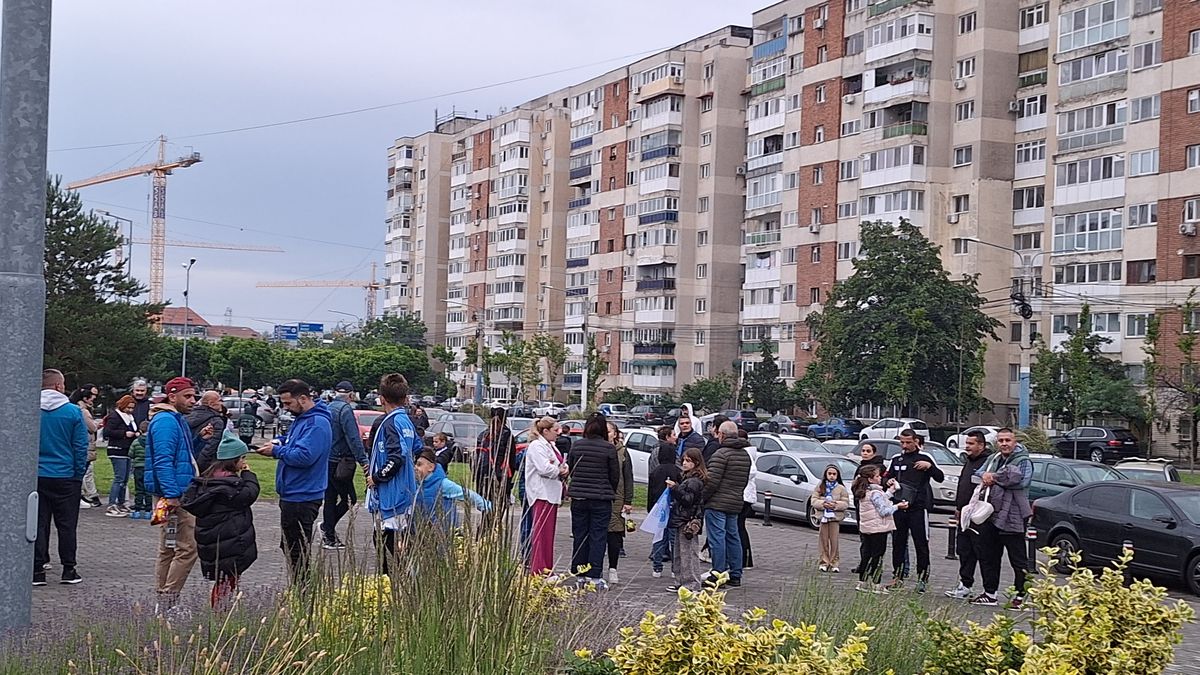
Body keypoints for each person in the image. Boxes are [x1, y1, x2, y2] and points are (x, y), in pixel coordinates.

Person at [254, 379, 332, 583]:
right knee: (290, 546)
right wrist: (278, 441)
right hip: (292, 493)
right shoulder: (303, 419)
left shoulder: (317, 423)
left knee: (297, 550)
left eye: (288, 403)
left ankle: (303, 593)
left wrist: (276, 451)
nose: (285, 408)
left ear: (304, 399)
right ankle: (300, 589)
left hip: (302, 496)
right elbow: (291, 439)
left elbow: (305, 456)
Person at [145, 376, 211, 611]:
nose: (193, 401)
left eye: (194, 395)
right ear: (172, 396)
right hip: (176, 495)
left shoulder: (175, 419)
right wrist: (172, 494)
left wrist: (199, 440)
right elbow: (163, 460)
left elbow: (180, 455)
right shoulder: (166, 421)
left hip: (175, 491)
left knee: (170, 547)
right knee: (187, 547)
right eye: (188, 396)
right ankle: (168, 598)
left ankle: (163, 599)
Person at [180, 432, 259, 610]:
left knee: (225, 581)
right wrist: (248, 474)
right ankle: (219, 614)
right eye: (242, 458)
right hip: (230, 544)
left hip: (217, 543)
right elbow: (250, 493)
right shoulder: (231, 488)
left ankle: (222, 609)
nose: (244, 461)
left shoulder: (209, 482)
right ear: (233, 461)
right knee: (226, 583)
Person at [35, 369, 90, 586]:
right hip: (65, 475)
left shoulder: (30, 409)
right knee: (67, 525)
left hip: (37, 475)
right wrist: (78, 474)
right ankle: (69, 569)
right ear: (59, 386)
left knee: (38, 523)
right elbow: (80, 447)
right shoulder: (73, 412)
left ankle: (37, 570)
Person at [971, 428, 1033, 609]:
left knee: (1018, 558)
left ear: (1015, 442)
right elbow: (977, 473)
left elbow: (1020, 481)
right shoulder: (994, 459)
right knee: (989, 555)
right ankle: (990, 593)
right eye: (1001, 440)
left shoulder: (1024, 460)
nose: (1004, 444)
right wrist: (984, 475)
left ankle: (1021, 596)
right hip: (992, 512)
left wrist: (993, 477)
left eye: (1008, 440)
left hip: (1013, 513)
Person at [367, 374, 419, 575]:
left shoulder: (389, 423)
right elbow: (417, 447)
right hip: (404, 491)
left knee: (385, 542)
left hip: (392, 494)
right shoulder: (406, 421)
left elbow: (396, 458)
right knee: (394, 540)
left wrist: (377, 477)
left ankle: (391, 585)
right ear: (406, 399)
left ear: (381, 399)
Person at [882, 429, 943, 592]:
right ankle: (898, 576)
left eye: (908, 442)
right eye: (902, 442)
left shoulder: (925, 458)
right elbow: (885, 477)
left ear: (916, 441)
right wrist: (888, 481)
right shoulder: (896, 459)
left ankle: (922, 579)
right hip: (899, 506)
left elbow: (940, 477)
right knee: (898, 543)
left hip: (918, 507)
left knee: (921, 544)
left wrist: (929, 467)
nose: (905, 445)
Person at [567, 413, 619, 588]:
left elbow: (571, 469)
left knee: (580, 536)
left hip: (579, 496)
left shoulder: (577, 446)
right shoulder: (609, 448)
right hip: (601, 498)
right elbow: (614, 475)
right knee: (598, 537)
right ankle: (595, 575)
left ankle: (580, 574)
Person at [701, 421, 752, 587]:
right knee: (733, 537)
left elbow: (712, 482)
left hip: (717, 502)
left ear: (721, 435)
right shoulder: (745, 455)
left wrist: (703, 498)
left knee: (717, 538)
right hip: (736, 500)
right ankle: (736, 573)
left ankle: (718, 574)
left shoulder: (720, 454)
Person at [320, 380, 369, 551]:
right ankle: (327, 528)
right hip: (341, 460)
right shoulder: (345, 410)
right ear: (350, 394)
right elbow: (353, 438)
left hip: (327, 459)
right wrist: (363, 460)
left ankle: (329, 535)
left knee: (330, 498)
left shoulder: (327, 407)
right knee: (350, 499)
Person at [945, 430, 992, 600]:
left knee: (982, 552)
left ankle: (989, 591)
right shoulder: (968, 462)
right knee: (964, 550)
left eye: (971, 444)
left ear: (981, 445)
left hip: (979, 515)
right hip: (964, 514)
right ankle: (965, 585)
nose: (967, 447)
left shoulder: (988, 462)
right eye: (967, 443)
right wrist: (958, 507)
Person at [852, 464, 906, 593]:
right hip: (878, 529)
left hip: (867, 528)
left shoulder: (865, 491)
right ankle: (876, 584)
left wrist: (890, 491)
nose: (880, 477)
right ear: (871, 479)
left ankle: (862, 582)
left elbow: (880, 500)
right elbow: (883, 510)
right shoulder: (875, 493)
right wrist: (898, 506)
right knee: (877, 556)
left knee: (866, 555)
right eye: (877, 476)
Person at [525, 417, 568, 575]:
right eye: (555, 430)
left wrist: (563, 468)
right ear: (545, 431)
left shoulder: (551, 446)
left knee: (548, 534)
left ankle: (547, 568)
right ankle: (538, 568)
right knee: (541, 534)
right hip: (541, 494)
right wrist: (559, 471)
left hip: (551, 493)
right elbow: (544, 468)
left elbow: (559, 462)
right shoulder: (537, 446)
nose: (559, 433)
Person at [412, 450, 490, 531]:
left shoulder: (443, 484)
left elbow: (468, 494)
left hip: (440, 533)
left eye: (419, 464)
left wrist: (487, 507)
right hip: (420, 532)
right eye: (415, 465)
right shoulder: (417, 485)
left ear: (431, 467)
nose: (415, 468)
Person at [665, 447, 707, 592]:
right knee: (679, 552)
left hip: (687, 520)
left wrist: (676, 489)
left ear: (696, 462)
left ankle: (691, 583)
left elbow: (688, 500)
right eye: (683, 460)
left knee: (688, 553)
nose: (684, 463)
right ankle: (681, 581)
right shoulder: (686, 478)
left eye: (688, 461)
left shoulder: (694, 481)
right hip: (681, 518)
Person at [606, 422, 634, 585]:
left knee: (615, 533)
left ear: (615, 434)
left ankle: (613, 568)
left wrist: (628, 500)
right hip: (600, 497)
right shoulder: (600, 449)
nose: (607, 434)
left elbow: (628, 477)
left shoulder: (622, 452)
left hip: (617, 497)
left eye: (609, 431)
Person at [647, 443, 681, 578]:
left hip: (659, 508)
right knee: (674, 539)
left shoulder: (655, 471)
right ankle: (675, 568)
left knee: (659, 538)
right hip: (674, 508)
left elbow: (650, 492)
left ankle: (657, 567)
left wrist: (650, 508)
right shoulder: (678, 471)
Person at [476, 406, 517, 518]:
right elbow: (511, 459)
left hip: (483, 475)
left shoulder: (483, 435)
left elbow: (477, 458)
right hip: (500, 476)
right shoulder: (507, 435)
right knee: (498, 510)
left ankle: (485, 529)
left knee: (487, 507)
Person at [102, 395, 139, 517]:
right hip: (117, 450)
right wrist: (124, 433)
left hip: (127, 450)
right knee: (119, 478)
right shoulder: (115, 416)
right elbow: (107, 432)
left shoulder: (130, 418)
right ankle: (112, 504)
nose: (130, 410)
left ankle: (121, 503)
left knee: (124, 479)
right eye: (128, 407)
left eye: (132, 408)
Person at [810, 464, 850, 572]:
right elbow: (813, 500)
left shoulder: (841, 488)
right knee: (823, 540)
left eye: (834, 474)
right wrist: (823, 504)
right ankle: (824, 561)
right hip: (823, 517)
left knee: (834, 540)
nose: (832, 476)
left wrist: (835, 505)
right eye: (829, 474)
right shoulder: (820, 486)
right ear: (825, 474)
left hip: (834, 518)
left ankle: (834, 562)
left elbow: (846, 503)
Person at [70, 385, 102, 509]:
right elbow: (92, 427)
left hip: (85, 445)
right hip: (86, 445)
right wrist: (96, 424)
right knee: (81, 472)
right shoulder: (83, 411)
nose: (92, 401)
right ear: (85, 398)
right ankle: (77, 497)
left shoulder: (75, 409)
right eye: (91, 398)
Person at [187, 391, 226, 473]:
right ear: (211, 404)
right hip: (205, 464)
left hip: (188, 459)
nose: (222, 403)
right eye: (219, 400)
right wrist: (201, 466)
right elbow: (211, 446)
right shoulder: (216, 421)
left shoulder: (188, 416)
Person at [739, 436, 757, 570]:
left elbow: (751, 473)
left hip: (744, 496)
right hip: (745, 495)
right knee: (739, 527)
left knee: (739, 528)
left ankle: (745, 559)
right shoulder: (749, 454)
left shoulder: (745, 455)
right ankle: (745, 559)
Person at [128, 420, 152, 520]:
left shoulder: (136, 441)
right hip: (149, 468)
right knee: (148, 490)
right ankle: (148, 511)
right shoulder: (152, 442)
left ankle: (137, 511)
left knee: (139, 489)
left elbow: (131, 454)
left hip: (138, 468)